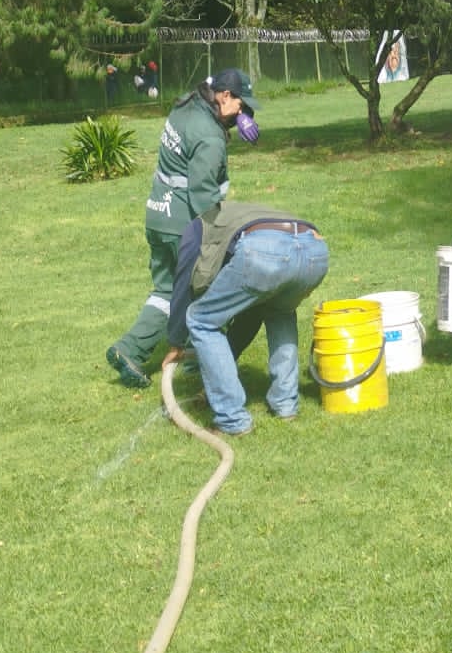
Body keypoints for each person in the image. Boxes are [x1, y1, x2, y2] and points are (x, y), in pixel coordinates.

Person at [106, 68, 259, 388]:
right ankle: (201, 364)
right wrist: (224, 235)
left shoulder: (185, 105)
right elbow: (202, 193)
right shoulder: (210, 138)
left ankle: (129, 350)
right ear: (225, 96)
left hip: (157, 215)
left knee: (166, 292)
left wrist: (237, 119)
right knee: (213, 289)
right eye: (241, 105)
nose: (242, 112)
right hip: (182, 226)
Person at [162, 200, 328, 435]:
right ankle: (285, 405)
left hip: (266, 252)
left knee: (202, 320)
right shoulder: (244, 214)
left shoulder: (196, 228)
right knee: (280, 312)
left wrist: (175, 342)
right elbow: (250, 308)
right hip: (315, 251)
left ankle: (232, 420)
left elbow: (183, 281)